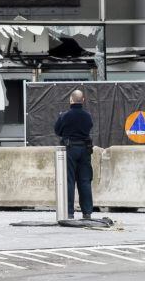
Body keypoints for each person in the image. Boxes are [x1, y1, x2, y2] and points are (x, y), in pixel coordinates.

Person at [54, 89, 94, 220]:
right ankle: (87, 212)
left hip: (70, 149)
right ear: (83, 100)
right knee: (85, 181)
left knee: (69, 181)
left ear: (70, 100)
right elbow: (89, 128)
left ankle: (69, 212)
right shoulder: (87, 116)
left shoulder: (64, 116)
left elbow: (57, 130)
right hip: (85, 150)